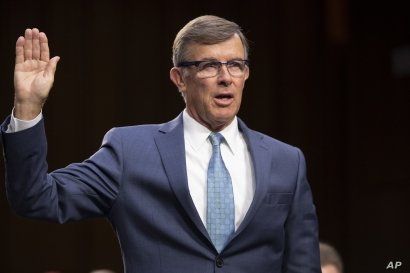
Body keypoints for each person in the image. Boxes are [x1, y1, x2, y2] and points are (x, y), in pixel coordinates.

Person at [1, 15, 321, 272]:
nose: (226, 77)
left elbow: (303, 264)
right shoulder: (131, 151)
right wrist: (28, 107)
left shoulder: (286, 160)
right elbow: (37, 199)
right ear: (179, 79)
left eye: (236, 65)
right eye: (209, 65)